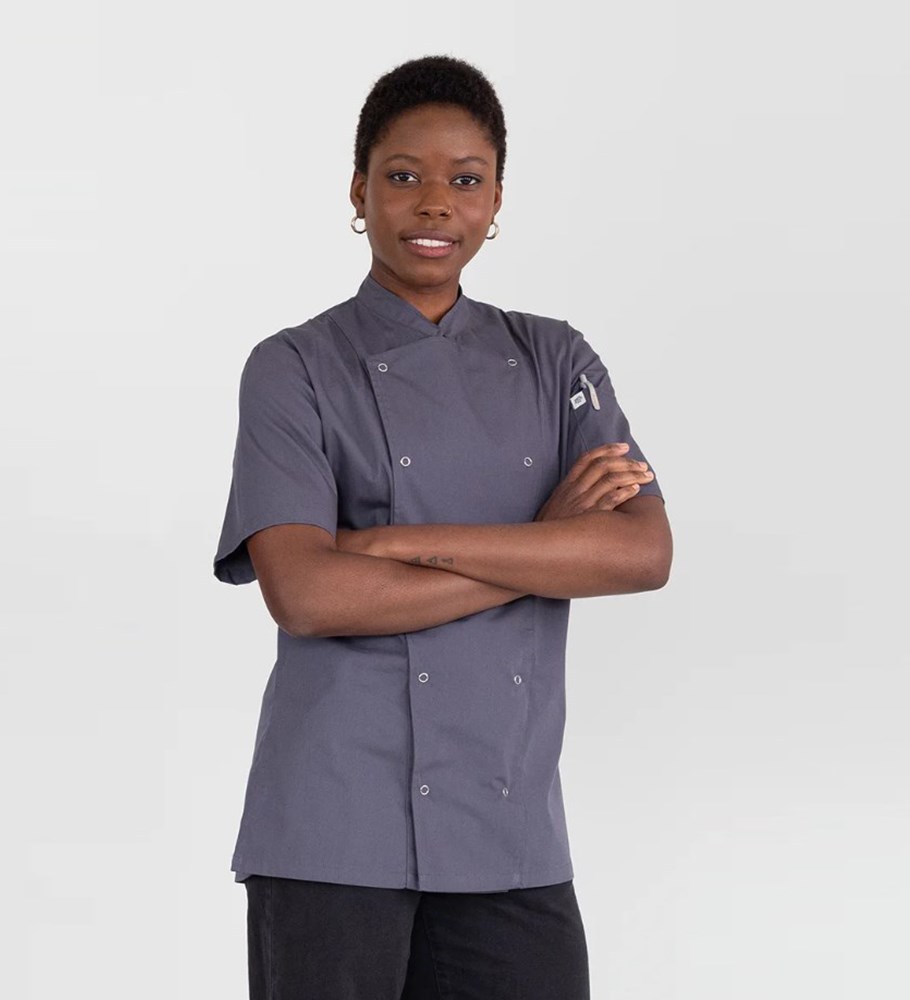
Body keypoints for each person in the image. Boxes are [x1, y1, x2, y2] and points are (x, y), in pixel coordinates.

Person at [212, 54, 672, 1000]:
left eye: (466, 180)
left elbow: (642, 551)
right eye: (403, 175)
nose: (434, 203)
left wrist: (389, 545)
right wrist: (544, 546)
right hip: (333, 827)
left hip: (509, 829)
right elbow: (307, 594)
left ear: (496, 201)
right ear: (359, 191)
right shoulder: (293, 368)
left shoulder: (555, 358)